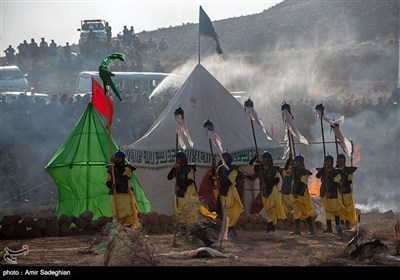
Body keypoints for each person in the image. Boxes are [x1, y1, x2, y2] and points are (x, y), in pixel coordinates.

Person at [249, 151, 286, 233]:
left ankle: (269, 226)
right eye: (263, 158)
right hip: (263, 191)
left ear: (269, 160)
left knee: (271, 207)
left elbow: (277, 180)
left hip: (272, 190)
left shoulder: (274, 169)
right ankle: (272, 226)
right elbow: (250, 164)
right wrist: (255, 157)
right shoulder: (259, 168)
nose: (265, 160)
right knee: (267, 208)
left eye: (267, 159)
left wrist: (268, 184)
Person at [106, 150, 141, 228]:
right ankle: (119, 228)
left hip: (125, 194)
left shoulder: (127, 167)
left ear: (123, 158)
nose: (118, 159)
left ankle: (129, 227)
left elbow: (122, 172)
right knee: (117, 213)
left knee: (127, 212)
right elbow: (108, 181)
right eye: (116, 157)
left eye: (119, 158)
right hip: (115, 195)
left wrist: (115, 164)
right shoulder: (110, 169)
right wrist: (111, 185)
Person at [215, 151, 244, 236]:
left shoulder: (233, 169)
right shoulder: (220, 167)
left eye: (225, 157)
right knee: (222, 209)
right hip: (222, 192)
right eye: (222, 158)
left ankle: (231, 227)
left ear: (229, 158)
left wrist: (221, 184)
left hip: (230, 191)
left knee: (231, 209)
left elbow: (231, 180)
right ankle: (224, 228)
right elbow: (216, 176)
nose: (223, 159)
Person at [167, 151, 198, 223]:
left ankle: (190, 226)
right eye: (177, 158)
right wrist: (173, 168)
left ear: (183, 159)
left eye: (178, 158)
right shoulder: (177, 169)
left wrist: (180, 187)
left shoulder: (190, 168)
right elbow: (169, 177)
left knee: (189, 210)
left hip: (188, 192)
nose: (177, 160)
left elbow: (190, 180)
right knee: (180, 210)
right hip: (180, 193)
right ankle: (182, 226)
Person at [316, 155, 343, 234]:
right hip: (324, 191)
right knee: (327, 211)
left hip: (333, 193)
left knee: (335, 211)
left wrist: (330, 192)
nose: (327, 162)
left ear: (332, 162)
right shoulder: (323, 170)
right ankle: (329, 228)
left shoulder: (336, 171)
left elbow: (336, 183)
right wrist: (323, 168)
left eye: (328, 161)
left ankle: (338, 228)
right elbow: (317, 176)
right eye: (326, 161)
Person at [289, 155, 315, 235]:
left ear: (301, 162)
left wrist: (297, 193)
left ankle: (312, 229)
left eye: (297, 161)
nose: (296, 163)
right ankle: (297, 230)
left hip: (301, 194)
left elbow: (303, 184)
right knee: (297, 212)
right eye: (295, 161)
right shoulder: (294, 170)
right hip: (294, 193)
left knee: (305, 212)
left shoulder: (304, 172)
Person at [337, 154, 357, 230]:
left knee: (347, 207)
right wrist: (339, 186)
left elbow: (349, 180)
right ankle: (341, 224)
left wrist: (344, 187)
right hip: (338, 191)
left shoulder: (349, 170)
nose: (340, 160)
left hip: (346, 191)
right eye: (339, 159)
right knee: (340, 208)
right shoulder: (335, 170)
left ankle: (347, 223)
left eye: (341, 159)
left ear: (344, 160)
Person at [279, 154, 294, 222]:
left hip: (293, 194)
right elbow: (285, 168)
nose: (290, 168)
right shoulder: (285, 172)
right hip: (285, 193)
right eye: (290, 167)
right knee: (285, 209)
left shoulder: (296, 174)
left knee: (294, 208)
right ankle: (287, 221)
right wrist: (289, 159)